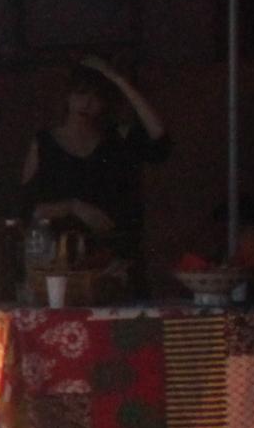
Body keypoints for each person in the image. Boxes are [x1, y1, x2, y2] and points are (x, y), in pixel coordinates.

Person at [18, 56, 170, 273]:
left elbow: (161, 143)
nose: (87, 103)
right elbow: (25, 208)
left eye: (96, 97)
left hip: (116, 262)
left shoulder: (117, 139)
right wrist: (72, 207)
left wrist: (118, 80)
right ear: (68, 96)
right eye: (81, 94)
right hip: (61, 264)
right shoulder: (44, 144)